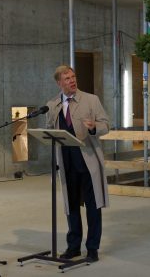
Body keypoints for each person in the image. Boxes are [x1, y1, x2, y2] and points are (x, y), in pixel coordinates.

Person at [46, 65, 109, 262]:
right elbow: (49, 129)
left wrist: (93, 128)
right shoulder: (53, 105)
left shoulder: (91, 100)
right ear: (59, 83)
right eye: (67, 78)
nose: (72, 81)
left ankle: (92, 249)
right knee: (71, 205)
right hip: (66, 163)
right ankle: (73, 247)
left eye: (73, 77)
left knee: (92, 206)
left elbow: (106, 125)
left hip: (88, 162)